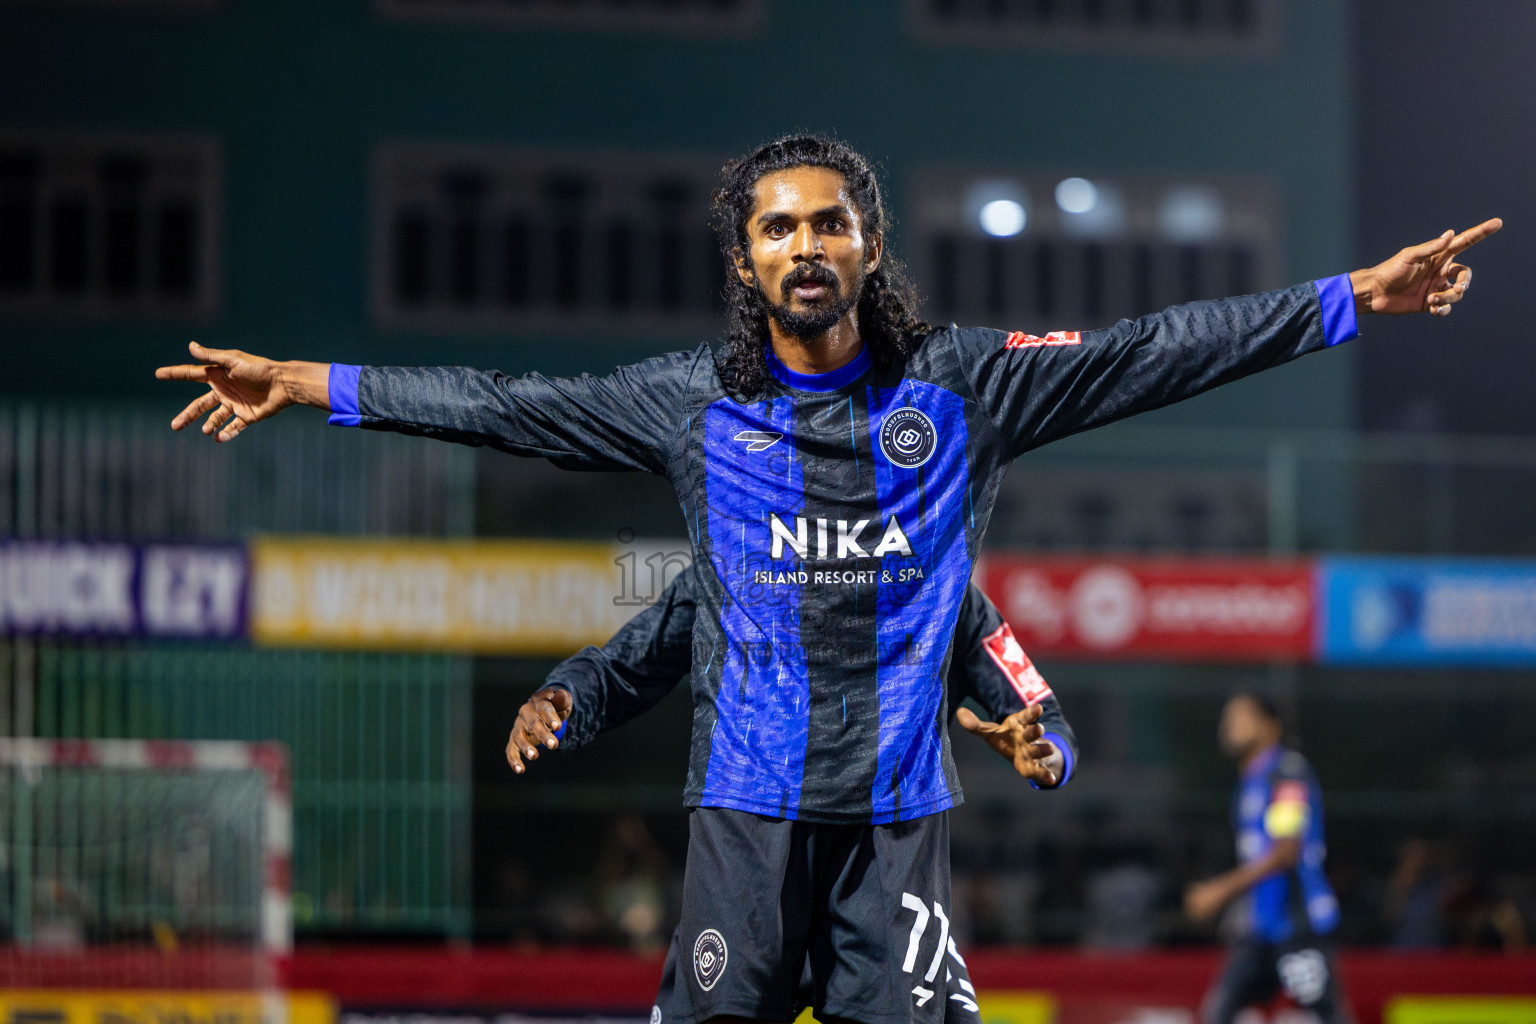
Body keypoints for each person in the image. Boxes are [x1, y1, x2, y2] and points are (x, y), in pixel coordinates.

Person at [157, 133, 1498, 1024]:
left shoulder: (964, 388)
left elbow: (1156, 346)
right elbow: (502, 404)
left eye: (831, 222)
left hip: (897, 831)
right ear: (745, 261)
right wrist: (304, 384)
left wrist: (1350, 299)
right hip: (744, 820)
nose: (806, 244)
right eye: (779, 228)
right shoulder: (688, 405)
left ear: (867, 246)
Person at [509, 570, 1078, 1024]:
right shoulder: (732, 566)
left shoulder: (942, 582)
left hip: (884, 857)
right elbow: (623, 667)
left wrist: (1045, 754)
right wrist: (566, 696)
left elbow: (1040, 711)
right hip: (752, 844)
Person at [1185, 692, 1344, 1024]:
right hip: (1259, 930)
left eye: (1242, 717)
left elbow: (1286, 852)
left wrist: (1220, 890)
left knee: (1326, 1014)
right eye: (1228, 718)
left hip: (1296, 927)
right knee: (1218, 1013)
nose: (1230, 726)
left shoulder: (1287, 773)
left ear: (1270, 728)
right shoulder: (1251, 780)